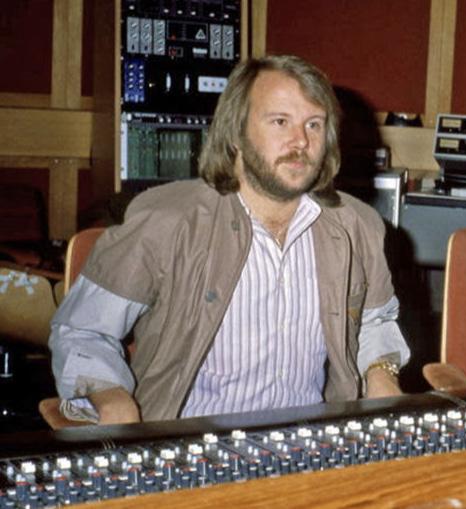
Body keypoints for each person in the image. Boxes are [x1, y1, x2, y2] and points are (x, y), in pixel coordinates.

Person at [48, 55, 410, 424]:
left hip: (306, 442)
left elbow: (375, 321)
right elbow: (82, 330)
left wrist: (381, 372)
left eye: (314, 124)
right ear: (235, 133)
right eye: (280, 121)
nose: (301, 140)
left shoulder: (356, 225)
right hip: (190, 444)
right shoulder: (166, 223)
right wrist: (111, 398)